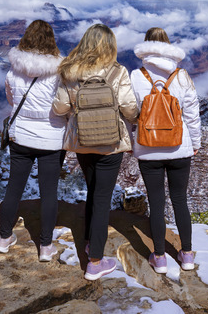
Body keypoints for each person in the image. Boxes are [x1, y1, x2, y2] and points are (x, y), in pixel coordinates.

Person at [52, 23, 139, 280]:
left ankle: (90, 240)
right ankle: (95, 261)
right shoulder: (118, 71)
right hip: (111, 144)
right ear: (110, 45)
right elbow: (129, 108)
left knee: (94, 192)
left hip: (82, 142)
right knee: (102, 197)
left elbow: (59, 108)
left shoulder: (69, 71)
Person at [130, 27, 201, 273]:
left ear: (146, 46)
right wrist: (196, 143)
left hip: (148, 149)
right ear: (169, 46)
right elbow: (192, 115)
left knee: (156, 201)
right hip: (180, 149)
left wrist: (132, 141)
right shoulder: (182, 76)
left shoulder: (136, 75)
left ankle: (159, 257)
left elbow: (130, 113)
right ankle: (188, 255)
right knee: (180, 200)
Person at [0, 19, 66, 262]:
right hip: (52, 139)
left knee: (14, 187)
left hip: (21, 137)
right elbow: (63, 105)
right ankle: (46, 247)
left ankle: (4, 239)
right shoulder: (59, 73)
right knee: (49, 192)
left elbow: (11, 101)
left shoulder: (12, 71)